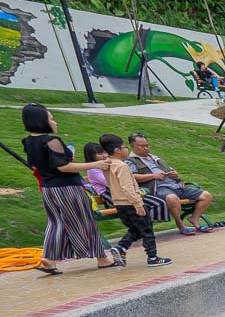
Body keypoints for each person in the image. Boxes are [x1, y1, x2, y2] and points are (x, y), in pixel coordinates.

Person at [21, 104, 121, 273]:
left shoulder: (28, 141)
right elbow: (64, 167)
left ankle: (49, 259)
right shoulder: (52, 141)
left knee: (56, 223)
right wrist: (95, 164)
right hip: (68, 188)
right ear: (41, 121)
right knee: (85, 220)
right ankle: (102, 258)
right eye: (51, 118)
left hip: (48, 189)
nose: (55, 122)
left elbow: (37, 165)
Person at [99, 134, 171, 267]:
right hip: (131, 202)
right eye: (124, 147)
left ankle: (121, 248)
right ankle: (152, 257)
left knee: (135, 229)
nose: (127, 149)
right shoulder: (122, 166)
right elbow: (127, 187)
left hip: (119, 203)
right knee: (147, 229)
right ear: (117, 150)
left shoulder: (107, 165)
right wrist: (138, 204)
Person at [126, 132, 214, 234]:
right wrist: (154, 176)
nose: (146, 148)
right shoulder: (130, 161)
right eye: (142, 146)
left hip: (176, 185)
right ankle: (180, 224)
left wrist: (174, 174)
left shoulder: (155, 158)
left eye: (147, 145)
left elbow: (171, 169)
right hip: (158, 188)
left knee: (206, 196)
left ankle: (194, 218)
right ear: (132, 146)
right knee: (172, 198)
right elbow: (133, 177)